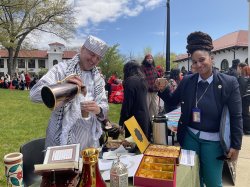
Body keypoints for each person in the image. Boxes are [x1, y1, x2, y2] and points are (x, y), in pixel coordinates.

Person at [155, 31, 243, 187]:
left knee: (212, 182)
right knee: (192, 180)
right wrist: (163, 89)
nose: (198, 65)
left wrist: (236, 145)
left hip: (214, 142)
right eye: (194, 62)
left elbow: (236, 116)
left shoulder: (229, 83)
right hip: (190, 138)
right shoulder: (188, 80)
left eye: (202, 60)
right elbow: (172, 100)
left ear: (211, 58)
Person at [30, 35, 109, 151]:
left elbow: (104, 107)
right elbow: (34, 95)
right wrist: (62, 86)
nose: (94, 60)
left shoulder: (98, 79)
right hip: (61, 139)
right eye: (92, 54)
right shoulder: (61, 70)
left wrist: (98, 109)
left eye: (98, 58)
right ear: (82, 49)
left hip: (89, 140)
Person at [119, 60, 151, 139]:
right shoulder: (143, 80)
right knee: (142, 146)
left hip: (134, 120)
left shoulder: (130, 81)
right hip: (144, 117)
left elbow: (127, 104)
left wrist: (121, 121)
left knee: (133, 148)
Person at [141, 54, 159, 119]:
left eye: (151, 58)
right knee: (146, 108)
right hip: (147, 91)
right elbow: (142, 80)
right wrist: (148, 87)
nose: (149, 59)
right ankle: (145, 123)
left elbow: (157, 78)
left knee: (155, 108)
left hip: (155, 91)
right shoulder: (142, 68)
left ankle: (153, 123)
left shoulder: (154, 68)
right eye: (148, 58)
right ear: (145, 59)